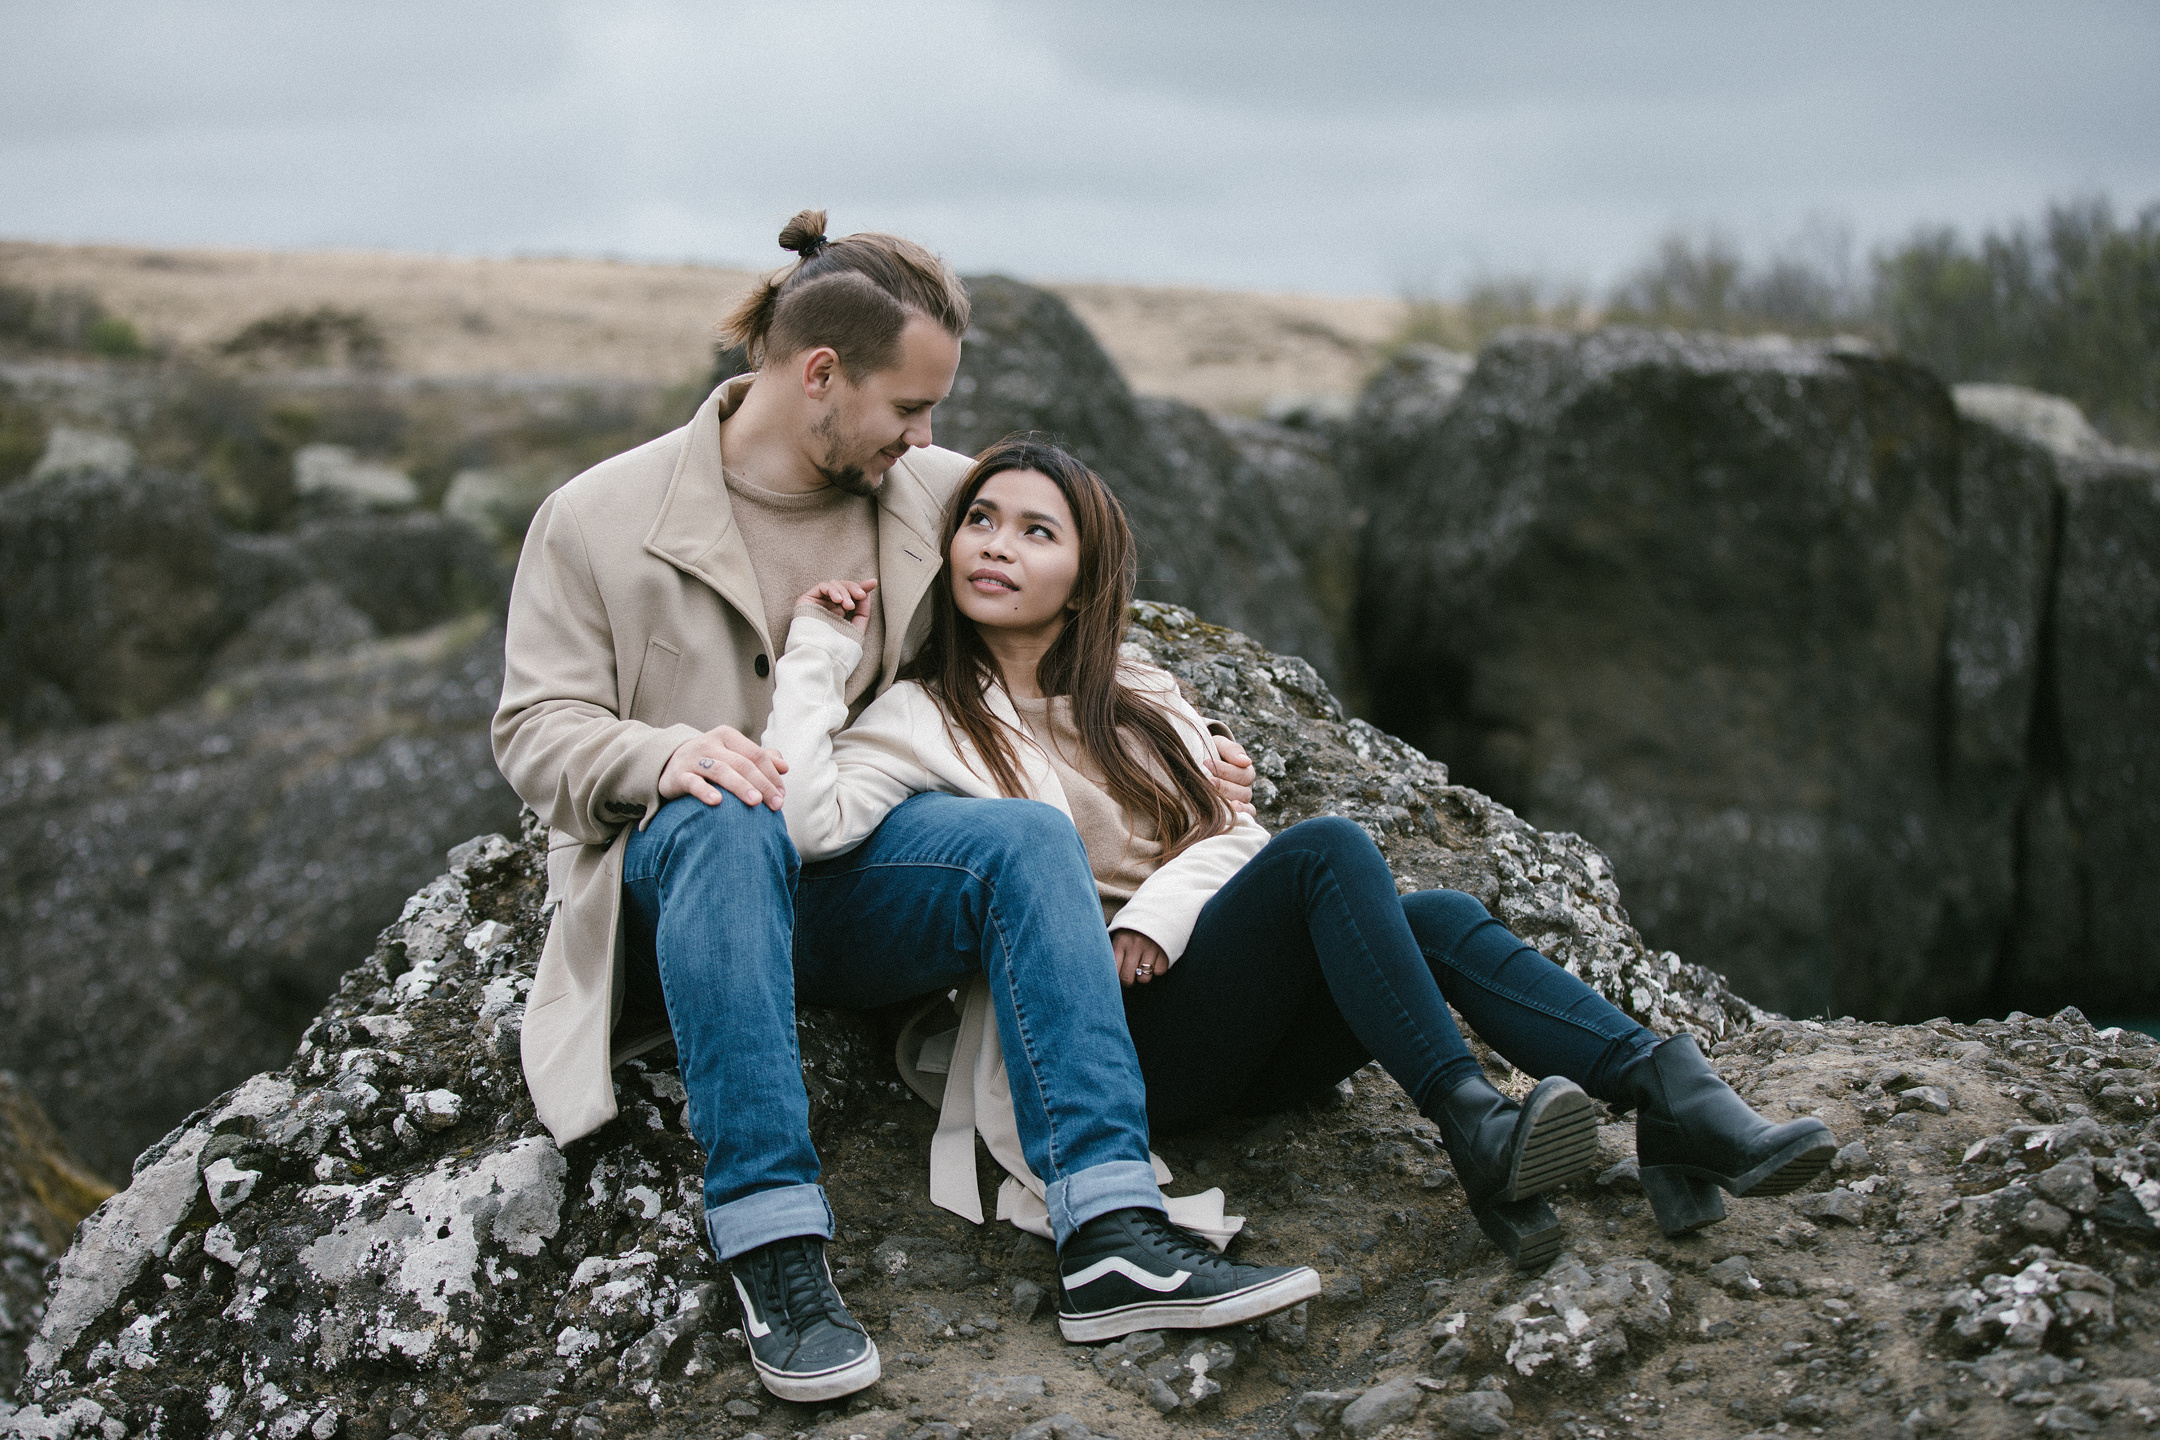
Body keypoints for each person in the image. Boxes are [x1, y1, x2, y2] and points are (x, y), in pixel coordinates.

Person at [493, 213, 1318, 1403]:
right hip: (684, 893)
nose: (929, 439)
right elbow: (533, 731)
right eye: (909, 410)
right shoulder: (596, 518)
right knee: (729, 816)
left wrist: (1183, 758)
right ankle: (774, 1248)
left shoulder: (934, 497)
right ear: (819, 374)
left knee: (1022, 838)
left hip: (862, 882)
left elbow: (1063, 622)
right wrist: (666, 755)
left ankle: (1111, 1228)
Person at [764, 436, 1841, 1284]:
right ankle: (1476, 1125)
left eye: (1036, 532)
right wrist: (818, 653)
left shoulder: (1140, 697)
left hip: (1208, 1006)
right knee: (1330, 853)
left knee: (1439, 920)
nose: (996, 546)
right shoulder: (922, 714)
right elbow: (810, 825)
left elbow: (1230, 835)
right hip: (1097, 1045)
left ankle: (1663, 1089)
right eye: (982, 523)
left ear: (1088, 580)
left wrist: (1159, 916)